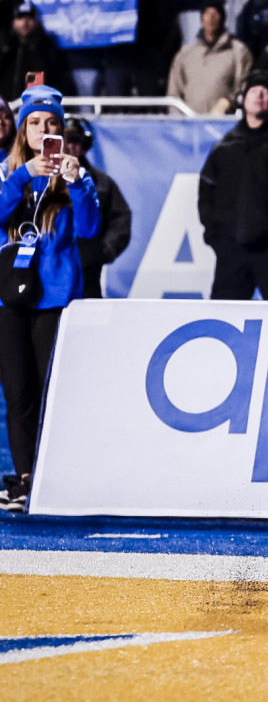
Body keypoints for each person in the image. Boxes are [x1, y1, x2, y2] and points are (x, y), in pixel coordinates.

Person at [0, 85, 100, 512]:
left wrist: (76, 184)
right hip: (8, 296)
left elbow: (91, 228)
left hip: (55, 296)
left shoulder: (76, 173)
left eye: (52, 123)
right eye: (35, 123)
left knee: (52, 391)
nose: (44, 131)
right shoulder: (8, 171)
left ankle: (52, 474)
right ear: (23, 130)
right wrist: (23, 175)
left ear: (61, 129)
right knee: (17, 392)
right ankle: (25, 478)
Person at [197, 71, 268, 301]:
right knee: (224, 319)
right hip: (231, 251)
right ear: (243, 99)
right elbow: (206, 192)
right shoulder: (225, 147)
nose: (259, 95)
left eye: (266, 90)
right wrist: (215, 236)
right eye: (253, 90)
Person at [62, 116, 131, 299]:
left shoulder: (102, 183)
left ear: (85, 144)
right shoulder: (43, 177)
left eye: (76, 141)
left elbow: (121, 218)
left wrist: (101, 251)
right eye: (66, 140)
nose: (70, 146)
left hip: (88, 273)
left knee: (87, 323)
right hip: (51, 269)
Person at [166, 2, 254, 115]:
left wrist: (227, 105)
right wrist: (178, 123)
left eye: (215, 13)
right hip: (190, 125)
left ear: (223, 20)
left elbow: (243, 87)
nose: (211, 17)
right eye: (207, 13)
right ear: (202, 20)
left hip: (224, 123)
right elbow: (174, 92)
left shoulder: (238, 50)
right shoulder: (185, 53)